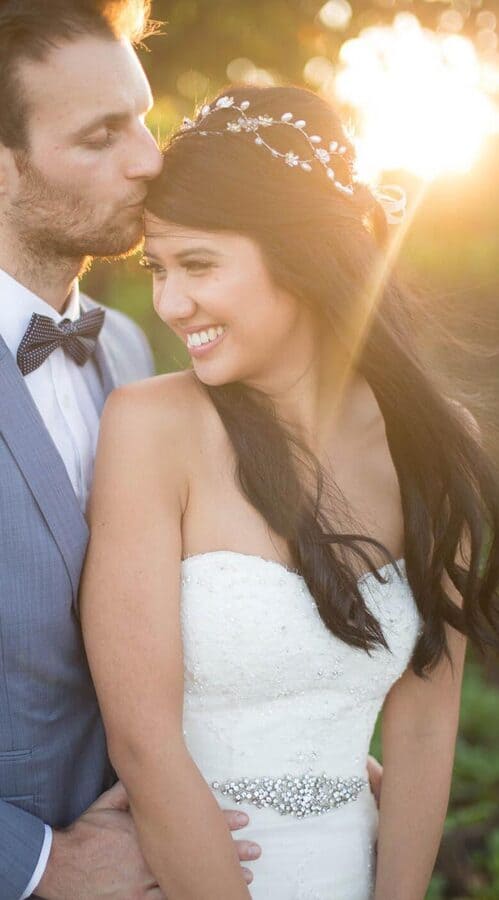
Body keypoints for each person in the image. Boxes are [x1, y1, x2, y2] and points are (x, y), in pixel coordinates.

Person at [80, 84, 499, 899]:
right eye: (156, 269)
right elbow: (143, 739)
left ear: (302, 259)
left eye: (198, 264)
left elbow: (422, 722)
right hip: (183, 875)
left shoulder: (434, 443)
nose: (170, 304)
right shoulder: (150, 428)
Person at [0, 4, 260, 898]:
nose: (150, 160)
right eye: (101, 136)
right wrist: (38, 866)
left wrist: (281, 743)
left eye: (142, 121)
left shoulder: (129, 349)